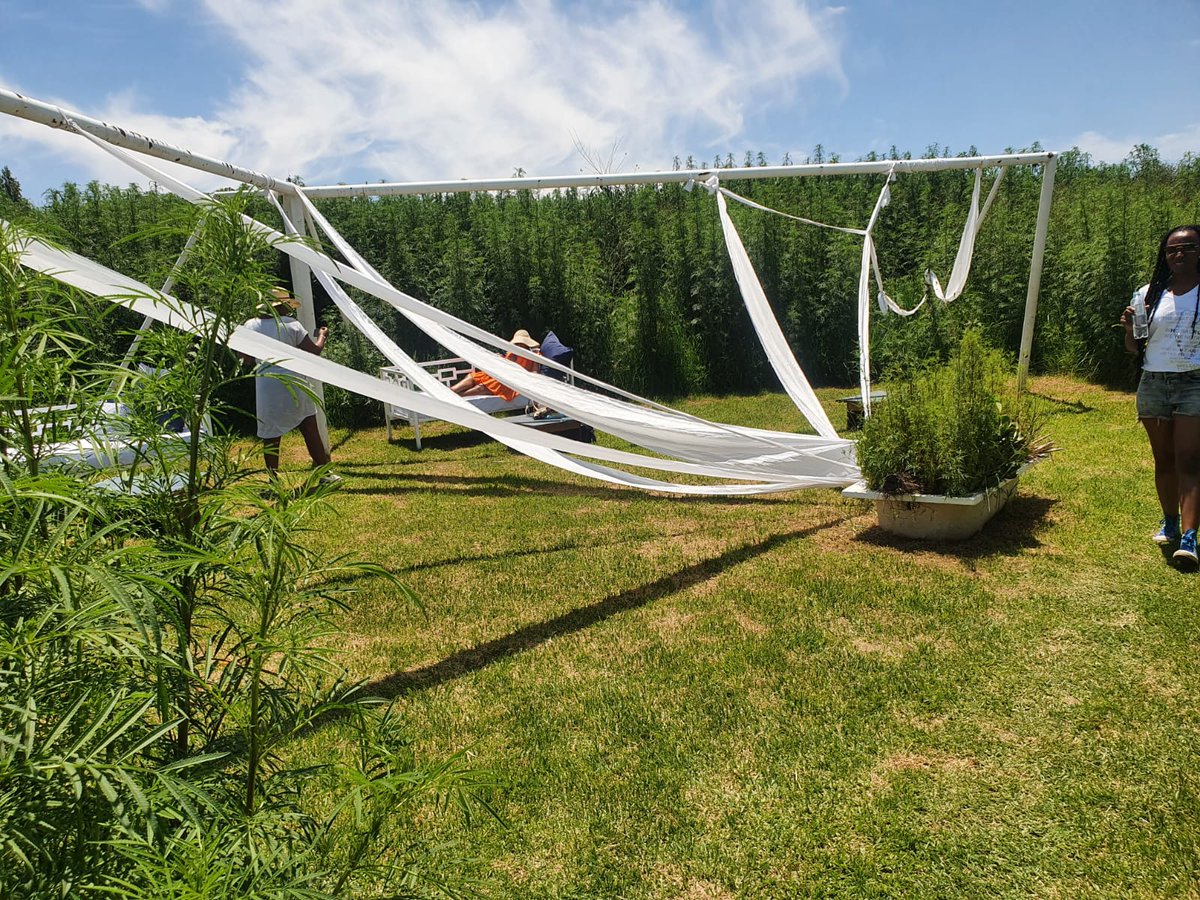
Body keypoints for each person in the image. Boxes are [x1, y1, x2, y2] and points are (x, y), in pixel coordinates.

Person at [1121, 224, 1200, 566]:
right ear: (1164, 255)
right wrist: (1128, 330)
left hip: (1194, 382)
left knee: (1189, 460)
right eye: (1172, 250)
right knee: (1164, 460)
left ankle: (1189, 537)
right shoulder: (1150, 294)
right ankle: (1169, 521)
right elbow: (1134, 349)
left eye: (1187, 248)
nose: (1179, 254)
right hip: (1154, 381)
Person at [241, 287, 339, 483]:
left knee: (271, 436)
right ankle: (324, 475)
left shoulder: (250, 325)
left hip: (267, 386)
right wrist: (322, 335)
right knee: (309, 428)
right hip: (294, 383)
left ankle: (273, 481)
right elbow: (314, 351)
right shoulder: (291, 325)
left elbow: (247, 360)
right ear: (282, 307)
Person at [450, 329, 541, 400]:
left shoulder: (534, 355)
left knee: (482, 388)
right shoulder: (512, 352)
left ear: (526, 344)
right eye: (517, 343)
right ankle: (450, 391)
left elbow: (535, 372)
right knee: (473, 377)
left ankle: (457, 396)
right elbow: (506, 366)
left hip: (513, 382)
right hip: (501, 375)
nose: (519, 345)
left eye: (521, 343)